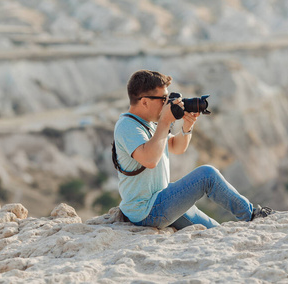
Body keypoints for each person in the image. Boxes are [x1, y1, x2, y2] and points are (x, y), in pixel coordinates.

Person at [112, 70, 273, 230]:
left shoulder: (150, 124)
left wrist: (187, 128)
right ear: (145, 102)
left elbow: (176, 147)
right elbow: (150, 160)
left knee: (215, 231)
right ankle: (252, 215)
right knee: (206, 175)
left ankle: (247, 220)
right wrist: (165, 122)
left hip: (161, 200)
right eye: (163, 99)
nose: (166, 103)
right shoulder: (128, 126)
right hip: (145, 211)